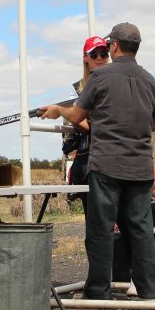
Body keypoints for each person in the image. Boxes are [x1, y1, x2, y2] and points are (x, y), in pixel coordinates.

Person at [39, 23, 155, 300]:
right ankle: (150, 289)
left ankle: (98, 290)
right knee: (141, 229)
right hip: (141, 166)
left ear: (114, 46)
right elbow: (153, 124)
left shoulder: (101, 77)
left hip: (107, 165)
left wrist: (58, 109)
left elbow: (77, 114)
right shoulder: (151, 80)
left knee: (100, 229)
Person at [63, 36, 110, 213]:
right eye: (94, 54)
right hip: (89, 154)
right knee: (93, 217)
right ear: (85, 58)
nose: (99, 58)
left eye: (104, 54)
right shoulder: (77, 88)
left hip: (113, 153)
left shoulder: (116, 82)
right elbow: (77, 120)